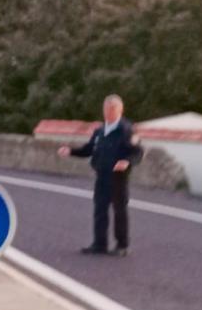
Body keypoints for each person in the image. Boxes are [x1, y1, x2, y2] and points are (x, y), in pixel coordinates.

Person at [57, 94, 144, 257]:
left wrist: (126, 161)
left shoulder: (127, 130)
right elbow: (89, 149)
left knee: (119, 210)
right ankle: (99, 243)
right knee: (100, 210)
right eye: (106, 109)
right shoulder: (100, 130)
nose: (109, 112)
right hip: (102, 175)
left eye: (113, 109)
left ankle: (122, 245)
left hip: (118, 177)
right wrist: (71, 151)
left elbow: (138, 152)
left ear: (120, 109)